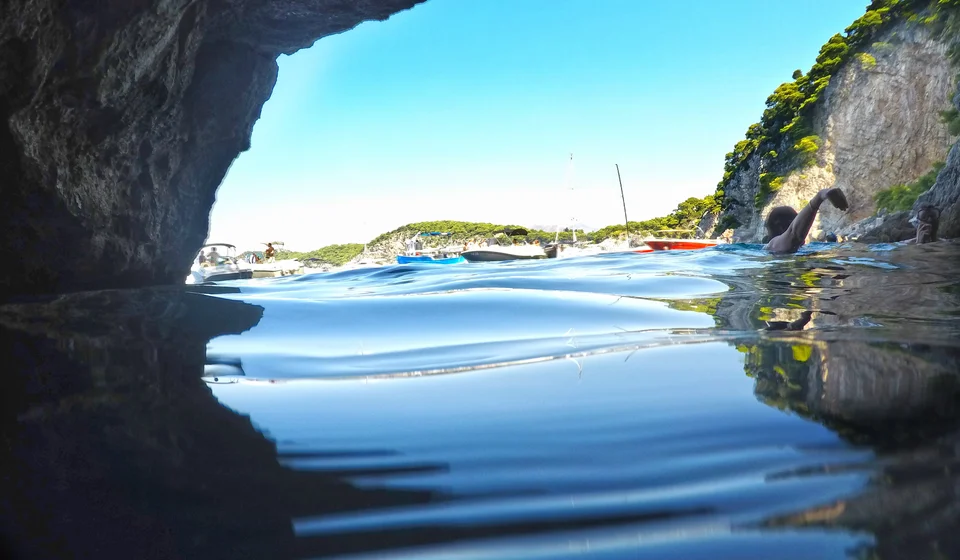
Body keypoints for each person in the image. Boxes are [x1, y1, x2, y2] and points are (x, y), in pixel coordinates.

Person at [764, 187, 848, 254]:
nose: (806, 228)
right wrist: (819, 197)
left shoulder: (776, 248)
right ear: (781, 227)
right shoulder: (774, 245)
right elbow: (794, 234)